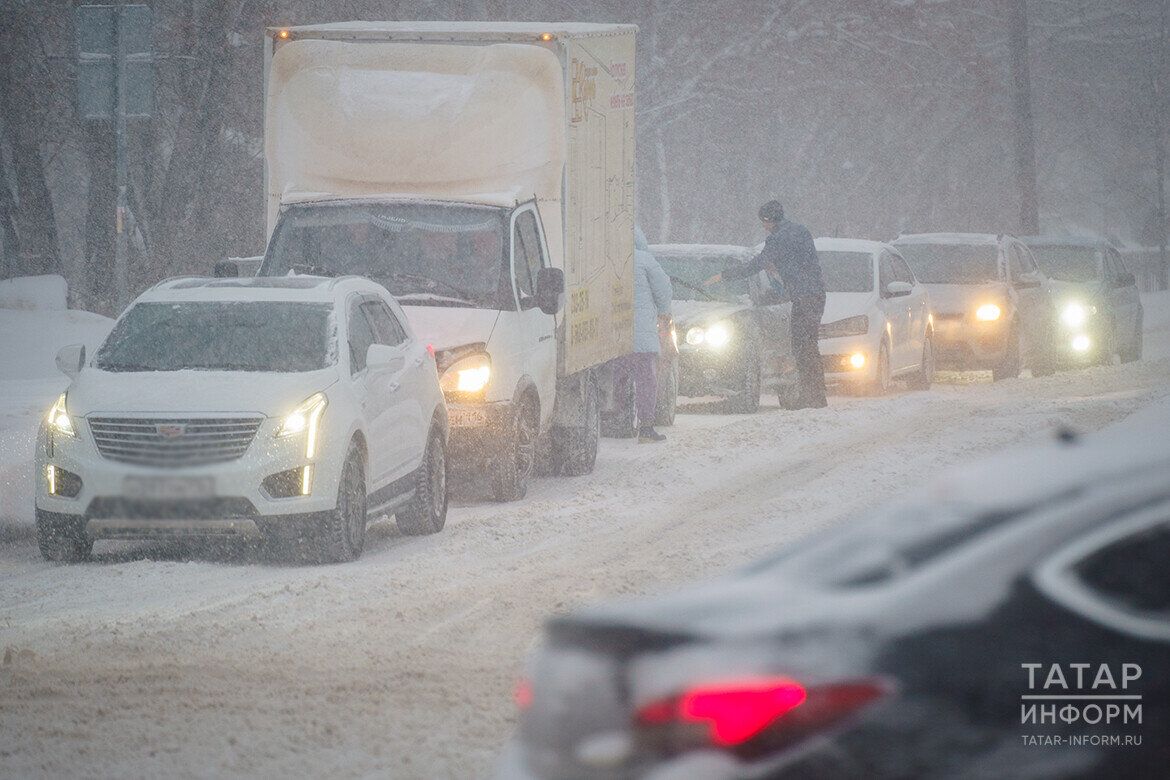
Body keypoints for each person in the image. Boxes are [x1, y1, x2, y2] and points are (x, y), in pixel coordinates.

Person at [705, 200, 827, 409]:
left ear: (769, 220)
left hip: (803, 296)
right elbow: (800, 261)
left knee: (802, 346)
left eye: (764, 222)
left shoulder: (778, 239)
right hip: (816, 293)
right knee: (809, 345)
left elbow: (756, 265)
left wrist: (724, 275)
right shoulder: (800, 231)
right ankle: (816, 394)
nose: (763, 226)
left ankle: (812, 397)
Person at [616, 227, 674, 443]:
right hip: (641, 334)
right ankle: (646, 427)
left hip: (612, 335)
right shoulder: (645, 260)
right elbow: (663, 289)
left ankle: (619, 421)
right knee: (645, 380)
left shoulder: (608, 259)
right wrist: (664, 311)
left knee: (617, 378)